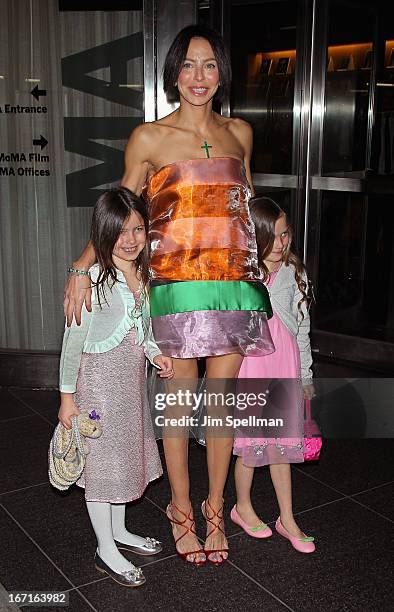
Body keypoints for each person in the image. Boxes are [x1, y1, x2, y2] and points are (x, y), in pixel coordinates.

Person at [63, 25, 274, 566]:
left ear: (221, 73)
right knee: (179, 409)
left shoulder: (241, 134)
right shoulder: (149, 138)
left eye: (208, 65)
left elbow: (244, 214)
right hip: (175, 291)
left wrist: (276, 265)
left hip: (232, 287)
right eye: (188, 65)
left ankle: (214, 507)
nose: (199, 77)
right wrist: (82, 268)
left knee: (222, 410)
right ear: (173, 74)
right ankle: (180, 507)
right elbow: (120, 216)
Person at [58, 187, 174, 587]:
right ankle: (105, 548)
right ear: (103, 232)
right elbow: (72, 343)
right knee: (103, 468)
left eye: (138, 229)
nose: (130, 240)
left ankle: (120, 533)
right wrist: (66, 398)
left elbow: (141, 330)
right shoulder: (91, 279)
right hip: (97, 389)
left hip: (128, 386)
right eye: (121, 231)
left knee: (123, 460)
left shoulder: (141, 274)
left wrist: (156, 353)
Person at [232, 196, 316, 553]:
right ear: (258, 238)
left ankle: (287, 517)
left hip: (285, 369)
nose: (283, 243)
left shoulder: (294, 274)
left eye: (287, 235)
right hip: (252, 369)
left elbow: (302, 328)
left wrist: (307, 375)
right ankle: (242, 507)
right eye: (276, 236)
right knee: (249, 447)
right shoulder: (243, 276)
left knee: (282, 446)